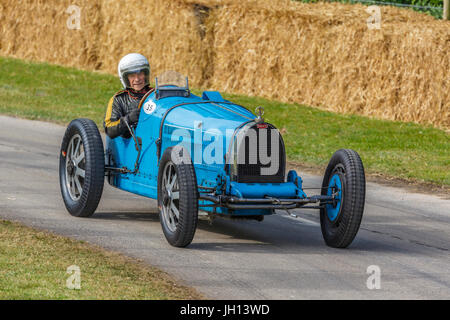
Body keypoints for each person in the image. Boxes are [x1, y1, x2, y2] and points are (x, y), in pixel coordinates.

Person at [103, 53, 153, 139]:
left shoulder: (156, 94)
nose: (137, 79)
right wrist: (128, 119)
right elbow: (110, 130)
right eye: (132, 76)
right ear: (125, 78)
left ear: (145, 74)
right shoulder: (118, 99)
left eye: (140, 74)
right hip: (133, 145)